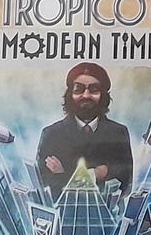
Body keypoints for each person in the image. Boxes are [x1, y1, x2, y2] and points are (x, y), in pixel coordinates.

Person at [36, 62, 133, 198]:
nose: (86, 95)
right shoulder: (51, 134)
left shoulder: (118, 133)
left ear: (103, 95)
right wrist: (98, 173)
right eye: (79, 89)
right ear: (69, 94)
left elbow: (125, 183)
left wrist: (63, 174)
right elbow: (43, 184)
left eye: (94, 90)